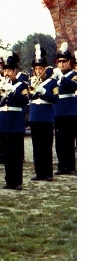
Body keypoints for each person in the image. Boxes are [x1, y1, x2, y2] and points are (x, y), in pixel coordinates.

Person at [0, 52, 29, 191]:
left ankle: (17, 181)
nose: (7, 73)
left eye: (9, 70)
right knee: (7, 154)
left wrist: (13, 91)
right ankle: (9, 181)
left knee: (16, 153)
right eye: (5, 70)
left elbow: (25, 101)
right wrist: (0, 90)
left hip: (15, 121)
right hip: (3, 122)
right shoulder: (1, 83)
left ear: (15, 71)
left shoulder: (21, 85)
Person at [28, 45, 58, 182]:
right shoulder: (32, 81)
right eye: (36, 69)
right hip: (35, 116)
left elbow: (55, 99)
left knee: (46, 145)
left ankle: (48, 173)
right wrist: (34, 89)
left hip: (46, 116)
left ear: (45, 69)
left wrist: (44, 91)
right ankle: (39, 173)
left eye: (40, 68)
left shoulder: (52, 83)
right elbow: (29, 98)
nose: (38, 71)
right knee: (37, 146)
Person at [53, 42, 77, 175]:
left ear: (69, 62)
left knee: (69, 139)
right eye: (59, 61)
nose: (61, 64)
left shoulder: (73, 74)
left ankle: (70, 166)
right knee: (59, 140)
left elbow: (74, 86)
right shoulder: (55, 76)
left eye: (64, 61)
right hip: (58, 110)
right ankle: (62, 166)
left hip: (69, 110)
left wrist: (62, 77)